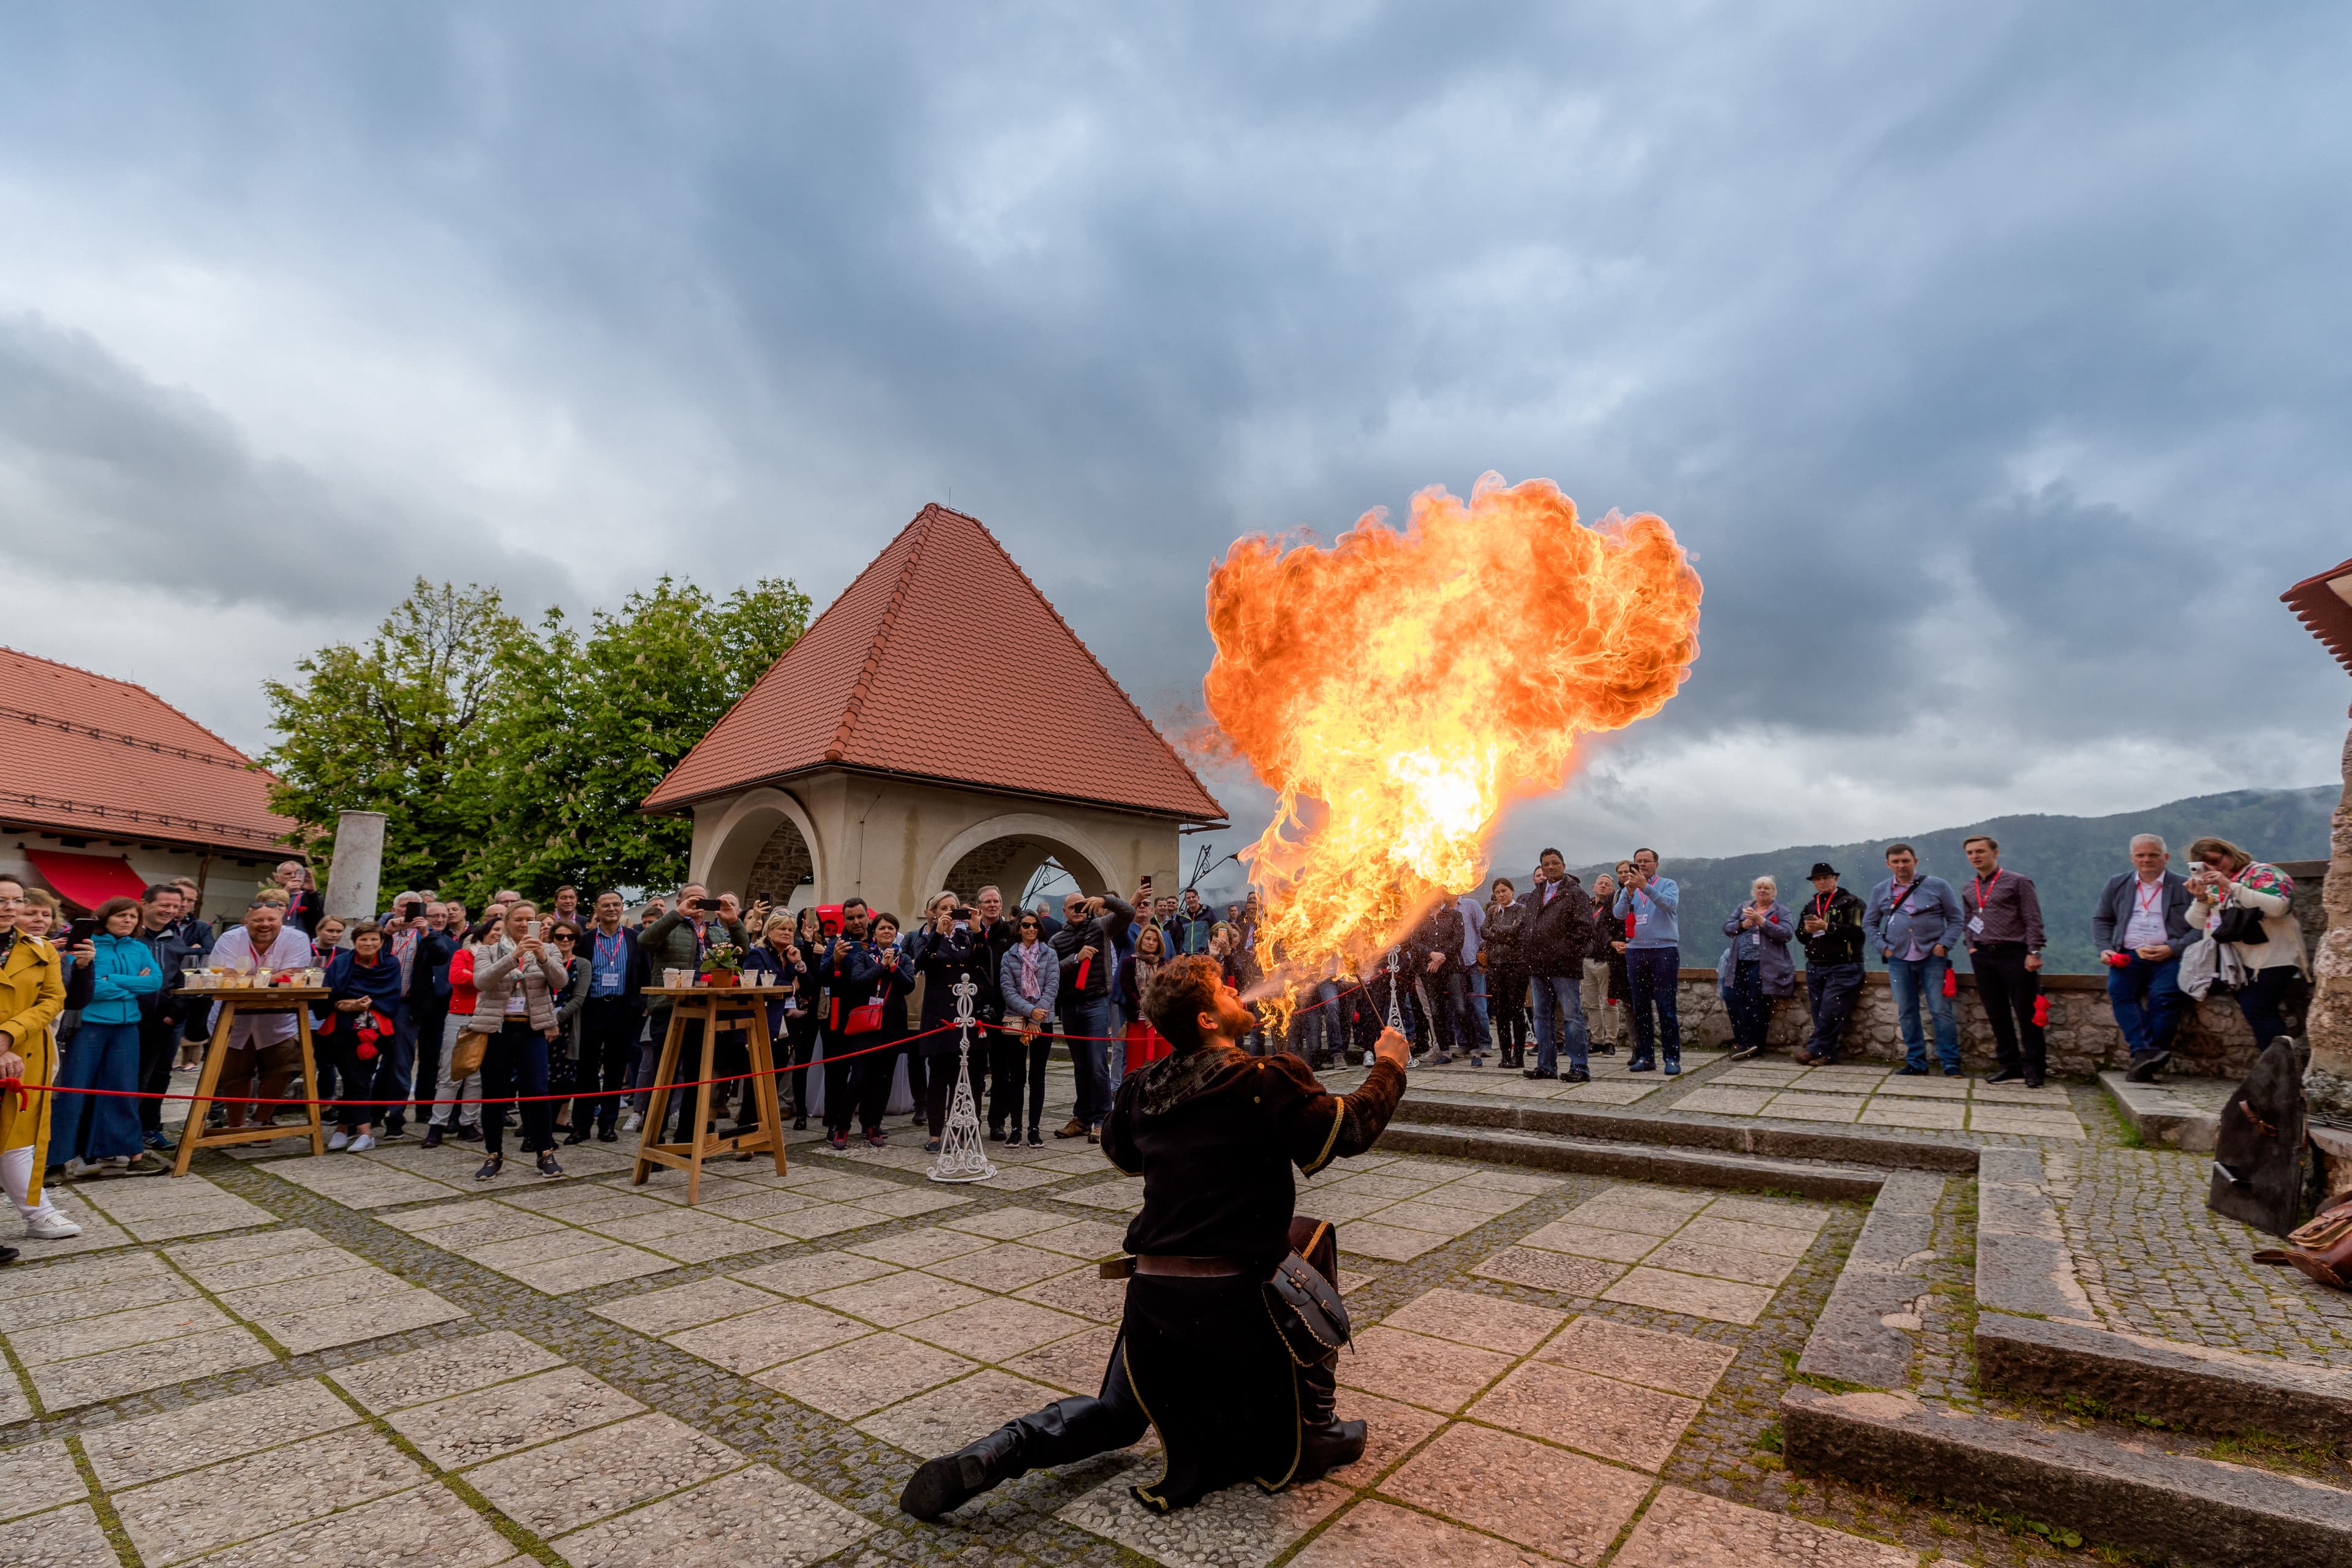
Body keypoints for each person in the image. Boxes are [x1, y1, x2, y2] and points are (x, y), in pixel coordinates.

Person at [899, 956, 1410, 1522]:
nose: (1237, 989)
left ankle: (994, 1453)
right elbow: (1353, 1126)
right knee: (1309, 1237)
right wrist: (1389, 1066)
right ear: (1208, 1021)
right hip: (1234, 1301)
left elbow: (1121, 1153)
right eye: (1223, 989)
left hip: (1156, 1297)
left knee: (1117, 1414)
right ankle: (1314, 1431)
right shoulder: (1264, 1080)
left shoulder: (1142, 1088)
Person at [51, 898, 167, 1175]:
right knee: (73, 1091)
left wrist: (112, 981)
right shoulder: (87, 945)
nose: (128, 921)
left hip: (127, 1028)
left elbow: (155, 982)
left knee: (123, 1091)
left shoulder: (139, 947)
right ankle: (56, 1160)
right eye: (121, 916)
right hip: (89, 1026)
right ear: (105, 918)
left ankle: (118, 1152)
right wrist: (132, 985)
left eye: (133, 917)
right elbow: (91, 989)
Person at [460, 902, 570, 1180]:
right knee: (494, 1094)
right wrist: (514, 956)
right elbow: (482, 982)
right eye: (518, 920)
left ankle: (545, 1153)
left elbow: (561, 982)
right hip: (497, 1030)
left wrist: (542, 956)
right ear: (507, 921)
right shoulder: (487, 950)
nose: (524, 925)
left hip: (531, 1030)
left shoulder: (550, 949)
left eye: (530, 920)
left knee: (537, 1092)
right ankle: (493, 1154)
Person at [198, 900, 317, 1133]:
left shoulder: (297, 938)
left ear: (281, 920)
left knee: (282, 1070)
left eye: (271, 919)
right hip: (233, 1019)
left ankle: (260, 1122)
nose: (265, 924)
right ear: (246, 921)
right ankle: (236, 1126)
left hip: (279, 1019)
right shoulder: (231, 938)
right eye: (258, 920)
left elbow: (295, 975)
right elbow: (226, 976)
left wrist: (248, 980)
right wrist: (275, 976)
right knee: (234, 1074)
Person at [2184, 836, 2307, 1054]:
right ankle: (2276, 1069)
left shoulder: (2264, 874)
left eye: (2216, 860)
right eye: (2206, 865)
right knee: (2257, 1011)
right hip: (2240, 962)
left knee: (2258, 1009)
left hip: (2274, 957)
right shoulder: (2214, 885)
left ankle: (2279, 1070)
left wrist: (2231, 886)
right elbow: (2197, 922)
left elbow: (2279, 907)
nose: (2214, 867)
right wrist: (2201, 899)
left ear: (2229, 852)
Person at [0, 880, 73, 1246]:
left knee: (20, 1136)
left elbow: (53, 999)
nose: (9, 907)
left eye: (16, 900)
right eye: (1, 900)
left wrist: (9, 1035)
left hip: (27, 1052)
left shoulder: (40, 947)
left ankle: (38, 1212)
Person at [2094, 834, 2198, 1083]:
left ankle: (2145, 1061)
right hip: (2128, 954)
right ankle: (2146, 1053)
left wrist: (2173, 948)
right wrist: (2106, 948)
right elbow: (2102, 919)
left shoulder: (2186, 886)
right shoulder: (2117, 884)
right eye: (2140, 855)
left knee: (2165, 998)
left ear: (2166, 857)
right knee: (2119, 990)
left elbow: (2203, 926)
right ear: (2132, 858)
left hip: (2169, 955)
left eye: (2153, 855)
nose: (2147, 860)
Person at [1865, 844, 1966, 1078]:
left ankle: (1951, 1063)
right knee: (1907, 1012)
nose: (1901, 866)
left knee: (1940, 1011)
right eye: (1896, 862)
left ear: (1915, 861)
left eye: (1905, 861)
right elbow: (1869, 923)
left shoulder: (1938, 886)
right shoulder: (1880, 890)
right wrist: (1884, 948)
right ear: (1888, 864)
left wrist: (1944, 945)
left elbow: (1956, 919)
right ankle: (1916, 1062)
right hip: (1898, 959)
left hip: (1932, 957)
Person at [1960, 836, 2049, 1087]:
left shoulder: (2018, 881)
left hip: (2015, 954)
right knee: (1997, 1013)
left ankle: (2035, 1069)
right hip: (1983, 955)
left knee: (2026, 1013)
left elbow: (2033, 918)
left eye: (1980, 851)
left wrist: (2034, 952)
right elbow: (1968, 919)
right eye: (1970, 853)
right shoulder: (1969, 887)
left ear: (1995, 853)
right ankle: (2009, 1066)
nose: (1975, 856)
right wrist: (1971, 947)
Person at [1050, 889, 1136, 1141]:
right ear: (1064, 912)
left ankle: (1102, 1118)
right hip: (1069, 1006)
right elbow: (1051, 970)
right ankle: (1083, 1117)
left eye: (1081, 905)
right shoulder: (1056, 939)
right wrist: (1075, 959)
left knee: (1097, 1062)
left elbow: (1128, 913)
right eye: (1071, 908)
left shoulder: (1101, 926)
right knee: (1080, 1065)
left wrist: (1105, 900)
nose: (1077, 911)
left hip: (1096, 1002)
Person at [911, 900, 991, 1152]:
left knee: (968, 1078)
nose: (949, 912)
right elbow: (922, 963)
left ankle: (964, 1130)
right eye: (944, 908)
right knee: (939, 1078)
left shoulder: (967, 937)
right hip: (940, 1017)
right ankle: (936, 1133)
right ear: (933, 913)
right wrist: (938, 934)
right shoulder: (927, 938)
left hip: (966, 1015)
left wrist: (978, 930)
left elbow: (983, 961)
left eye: (953, 907)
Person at [318, 920, 405, 1152]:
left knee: (360, 1078)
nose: (368, 943)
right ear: (354, 941)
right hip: (344, 1026)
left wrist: (366, 1003)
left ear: (382, 942)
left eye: (374, 939)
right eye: (363, 939)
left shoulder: (390, 963)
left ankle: (348, 1130)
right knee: (353, 1077)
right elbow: (331, 994)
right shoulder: (340, 963)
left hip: (377, 1027)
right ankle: (360, 1131)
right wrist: (351, 1004)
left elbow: (392, 994)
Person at [573, 891, 647, 1143]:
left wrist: (642, 1005)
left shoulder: (636, 939)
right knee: (586, 1070)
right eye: (606, 905)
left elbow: (645, 973)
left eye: (616, 904)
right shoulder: (584, 941)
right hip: (592, 1009)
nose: (612, 909)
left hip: (623, 1010)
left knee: (616, 1070)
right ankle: (582, 1126)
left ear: (622, 907)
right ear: (597, 909)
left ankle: (608, 1125)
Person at [842, 913, 915, 1148]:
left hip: (892, 1027)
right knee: (859, 1079)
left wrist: (893, 967)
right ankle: (842, 1126)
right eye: (882, 928)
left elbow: (908, 986)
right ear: (874, 932)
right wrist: (881, 965)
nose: (887, 931)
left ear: (896, 933)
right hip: (867, 1027)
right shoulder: (864, 957)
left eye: (891, 928)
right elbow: (858, 982)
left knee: (883, 1081)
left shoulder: (904, 959)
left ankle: (872, 1125)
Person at [1524, 848, 1595, 1081]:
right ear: (1541, 869)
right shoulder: (1535, 896)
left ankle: (1579, 1067)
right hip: (1538, 966)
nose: (1551, 867)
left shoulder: (1576, 894)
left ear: (1564, 865)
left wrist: (1562, 952)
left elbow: (1584, 929)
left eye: (1555, 863)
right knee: (1541, 1018)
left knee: (1572, 1017)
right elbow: (1529, 928)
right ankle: (1546, 1066)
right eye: (1546, 864)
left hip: (1564, 967)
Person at [1613, 848, 1681, 1074]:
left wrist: (1646, 887)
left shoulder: (1668, 884)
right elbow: (1619, 914)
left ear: (1656, 864)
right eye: (1638, 862)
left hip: (1664, 950)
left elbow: (1669, 905)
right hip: (1636, 951)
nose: (1642, 865)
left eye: (1646, 861)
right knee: (1640, 1007)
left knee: (1665, 1006)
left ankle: (1672, 1058)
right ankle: (1646, 1057)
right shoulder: (1630, 888)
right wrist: (1628, 893)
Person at [997, 911, 1059, 1146]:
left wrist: (1037, 1017)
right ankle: (1016, 1128)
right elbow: (1008, 990)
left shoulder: (1049, 954)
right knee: (1017, 1077)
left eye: (1034, 925)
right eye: (1026, 925)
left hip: (1042, 1021)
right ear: (1019, 928)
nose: (1031, 929)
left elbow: (1052, 986)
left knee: (1038, 1077)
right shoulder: (1009, 956)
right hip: (1016, 1020)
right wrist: (1028, 1012)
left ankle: (1034, 1128)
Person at [422, 927, 488, 1147]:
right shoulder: (463, 954)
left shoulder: (501, 957)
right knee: (450, 1073)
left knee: (476, 1075)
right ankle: (437, 1125)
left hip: (486, 1017)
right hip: (460, 1016)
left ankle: (468, 1123)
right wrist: (484, 978)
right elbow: (457, 977)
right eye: (495, 930)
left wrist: (479, 978)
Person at [1794, 862, 1866, 1066]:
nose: (1822, 882)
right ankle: (1827, 1055)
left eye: (1826, 878)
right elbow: (1800, 936)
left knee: (1830, 1011)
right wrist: (1807, 931)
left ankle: (1813, 1049)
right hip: (1815, 965)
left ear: (1836, 879)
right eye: (1818, 879)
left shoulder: (1853, 902)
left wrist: (1827, 926)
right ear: (1814, 883)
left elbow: (1858, 932)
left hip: (1844, 965)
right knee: (1820, 1013)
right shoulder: (1810, 905)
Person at [1720, 876, 1796, 1061]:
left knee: (1757, 1000)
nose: (1763, 890)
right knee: (1731, 996)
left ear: (1774, 892)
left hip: (1764, 963)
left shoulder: (1782, 911)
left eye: (1767, 888)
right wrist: (1742, 925)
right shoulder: (1743, 907)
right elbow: (1727, 929)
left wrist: (1762, 921)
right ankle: (1743, 1041)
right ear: (1754, 890)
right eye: (1759, 887)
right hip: (1738, 962)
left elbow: (1786, 934)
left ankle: (1756, 1044)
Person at [546, 922, 590, 1138]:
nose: (565, 940)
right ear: (552, 939)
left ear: (576, 940)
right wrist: (546, 1020)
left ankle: (560, 1118)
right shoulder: (544, 961)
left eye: (570, 937)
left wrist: (557, 1018)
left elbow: (579, 997)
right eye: (560, 936)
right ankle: (538, 1118)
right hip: (541, 1023)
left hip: (567, 1025)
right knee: (539, 1075)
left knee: (565, 1075)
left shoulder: (582, 964)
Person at [1414, 898, 1470, 1065]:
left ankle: (1473, 1048)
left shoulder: (1454, 915)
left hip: (1452, 968)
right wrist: (1431, 954)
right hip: (1430, 970)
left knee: (1460, 1008)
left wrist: (1441, 957)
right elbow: (1415, 942)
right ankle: (1445, 1052)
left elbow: (1458, 940)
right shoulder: (1421, 918)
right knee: (1436, 1012)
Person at [1484, 877, 1531, 1069]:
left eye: (1504, 891)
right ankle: (1505, 1055)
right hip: (1496, 965)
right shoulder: (1492, 911)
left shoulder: (1521, 909)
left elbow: (1518, 930)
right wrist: (1503, 932)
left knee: (1516, 1011)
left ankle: (1518, 1055)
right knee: (1501, 1012)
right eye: (1498, 892)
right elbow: (1483, 931)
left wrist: (1496, 932)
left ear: (1511, 890)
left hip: (1516, 965)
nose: (1501, 895)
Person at [1119, 922, 1172, 1071]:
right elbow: (1128, 990)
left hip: (1160, 1023)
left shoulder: (1165, 965)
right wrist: (1147, 1011)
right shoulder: (1129, 963)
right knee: (1134, 1067)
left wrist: (1155, 1014)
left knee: (1161, 1067)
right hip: (1138, 1021)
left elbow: (1166, 992)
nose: (1151, 942)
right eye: (1148, 938)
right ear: (1141, 940)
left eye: (1155, 940)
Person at [1581, 872, 1623, 1056]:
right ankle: (1597, 1040)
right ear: (1593, 887)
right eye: (1600, 883)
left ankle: (1610, 1041)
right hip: (1586, 959)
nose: (1603, 886)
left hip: (1606, 960)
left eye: (1607, 884)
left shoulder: (1615, 908)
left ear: (1613, 889)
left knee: (1609, 1003)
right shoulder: (1585, 907)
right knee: (1591, 1003)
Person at [273, 860, 323, 936]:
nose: (293, 876)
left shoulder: (312, 896)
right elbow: (265, 914)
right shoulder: (270, 896)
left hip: (303, 941)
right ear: (277, 878)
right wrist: (284, 893)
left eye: (297, 873)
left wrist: (312, 892)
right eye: (288, 874)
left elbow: (320, 920)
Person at [1167, 888, 1215, 957]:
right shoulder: (1182, 917)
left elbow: (1216, 931)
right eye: (1188, 898)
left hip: (1204, 955)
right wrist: (1182, 953)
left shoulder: (1208, 912)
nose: (1191, 900)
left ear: (1198, 898)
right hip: (1187, 956)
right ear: (1186, 900)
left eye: (1193, 897)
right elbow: (1180, 938)